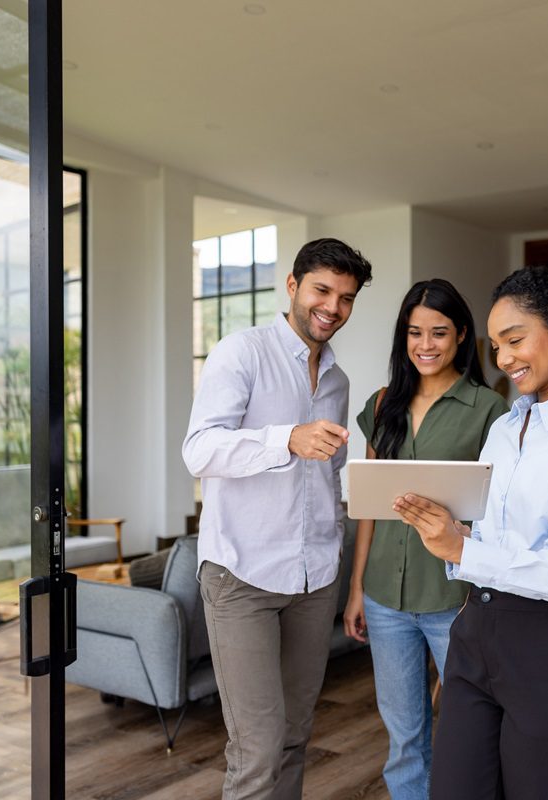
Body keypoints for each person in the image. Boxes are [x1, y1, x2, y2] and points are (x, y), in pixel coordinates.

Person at [393, 266, 548, 800]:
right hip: (478, 630)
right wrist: (454, 538)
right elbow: (490, 537)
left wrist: (465, 549)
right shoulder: (505, 428)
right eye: (496, 345)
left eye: (515, 340)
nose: (503, 359)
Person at [182, 238, 373, 800]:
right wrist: (285, 438)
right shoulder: (241, 352)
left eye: (346, 297)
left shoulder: (337, 382)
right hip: (241, 575)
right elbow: (200, 451)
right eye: (322, 290)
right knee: (257, 747)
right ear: (292, 287)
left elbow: (326, 476)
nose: (332, 307)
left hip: (314, 580)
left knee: (294, 734)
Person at [343, 279, 507, 800]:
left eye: (439, 332)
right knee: (404, 733)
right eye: (415, 332)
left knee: (469, 729)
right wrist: (356, 589)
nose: (426, 344)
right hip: (384, 599)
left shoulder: (489, 410)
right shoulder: (383, 403)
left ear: (462, 335)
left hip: (453, 599)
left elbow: (498, 513)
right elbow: (368, 508)